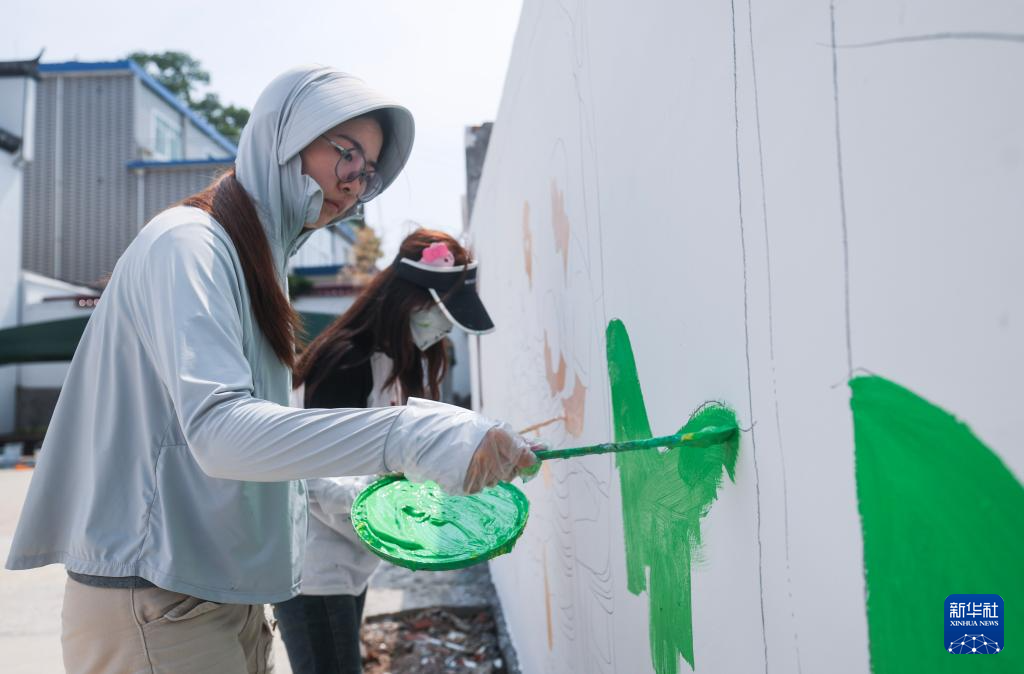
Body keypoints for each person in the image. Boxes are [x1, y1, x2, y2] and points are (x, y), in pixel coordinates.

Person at [4, 65, 535, 674]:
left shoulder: (254, 259)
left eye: (368, 173)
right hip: (153, 596)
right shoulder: (191, 244)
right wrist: (413, 435)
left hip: (216, 591)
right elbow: (221, 434)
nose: (354, 182)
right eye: (346, 153)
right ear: (283, 135)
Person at [274, 229, 494, 673]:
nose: (445, 328)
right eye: (441, 314)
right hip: (314, 564)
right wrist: (396, 526)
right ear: (408, 301)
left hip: (347, 562)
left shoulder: (393, 361)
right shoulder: (347, 360)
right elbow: (311, 471)